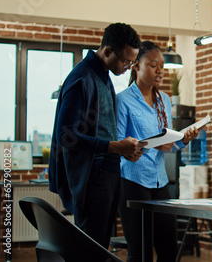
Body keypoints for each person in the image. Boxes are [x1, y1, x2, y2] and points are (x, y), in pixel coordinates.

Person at [48, 23, 147, 249]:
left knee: (100, 249)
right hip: (92, 178)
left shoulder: (104, 76)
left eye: (132, 62)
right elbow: (66, 136)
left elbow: (103, 130)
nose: (128, 67)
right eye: (125, 61)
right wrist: (114, 147)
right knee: (89, 251)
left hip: (109, 174)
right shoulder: (82, 78)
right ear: (107, 51)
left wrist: (125, 150)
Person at [116, 41, 200, 262]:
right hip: (133, 181)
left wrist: (183, 140)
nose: (160, 70)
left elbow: (167, 143)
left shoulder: (165, 99)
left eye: (162, 65)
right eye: (153, 65)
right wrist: (130, 148)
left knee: (168, 248)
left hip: (160, 181)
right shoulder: (123, 100)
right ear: (136, 66)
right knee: (139, 251)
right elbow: (117, 143)